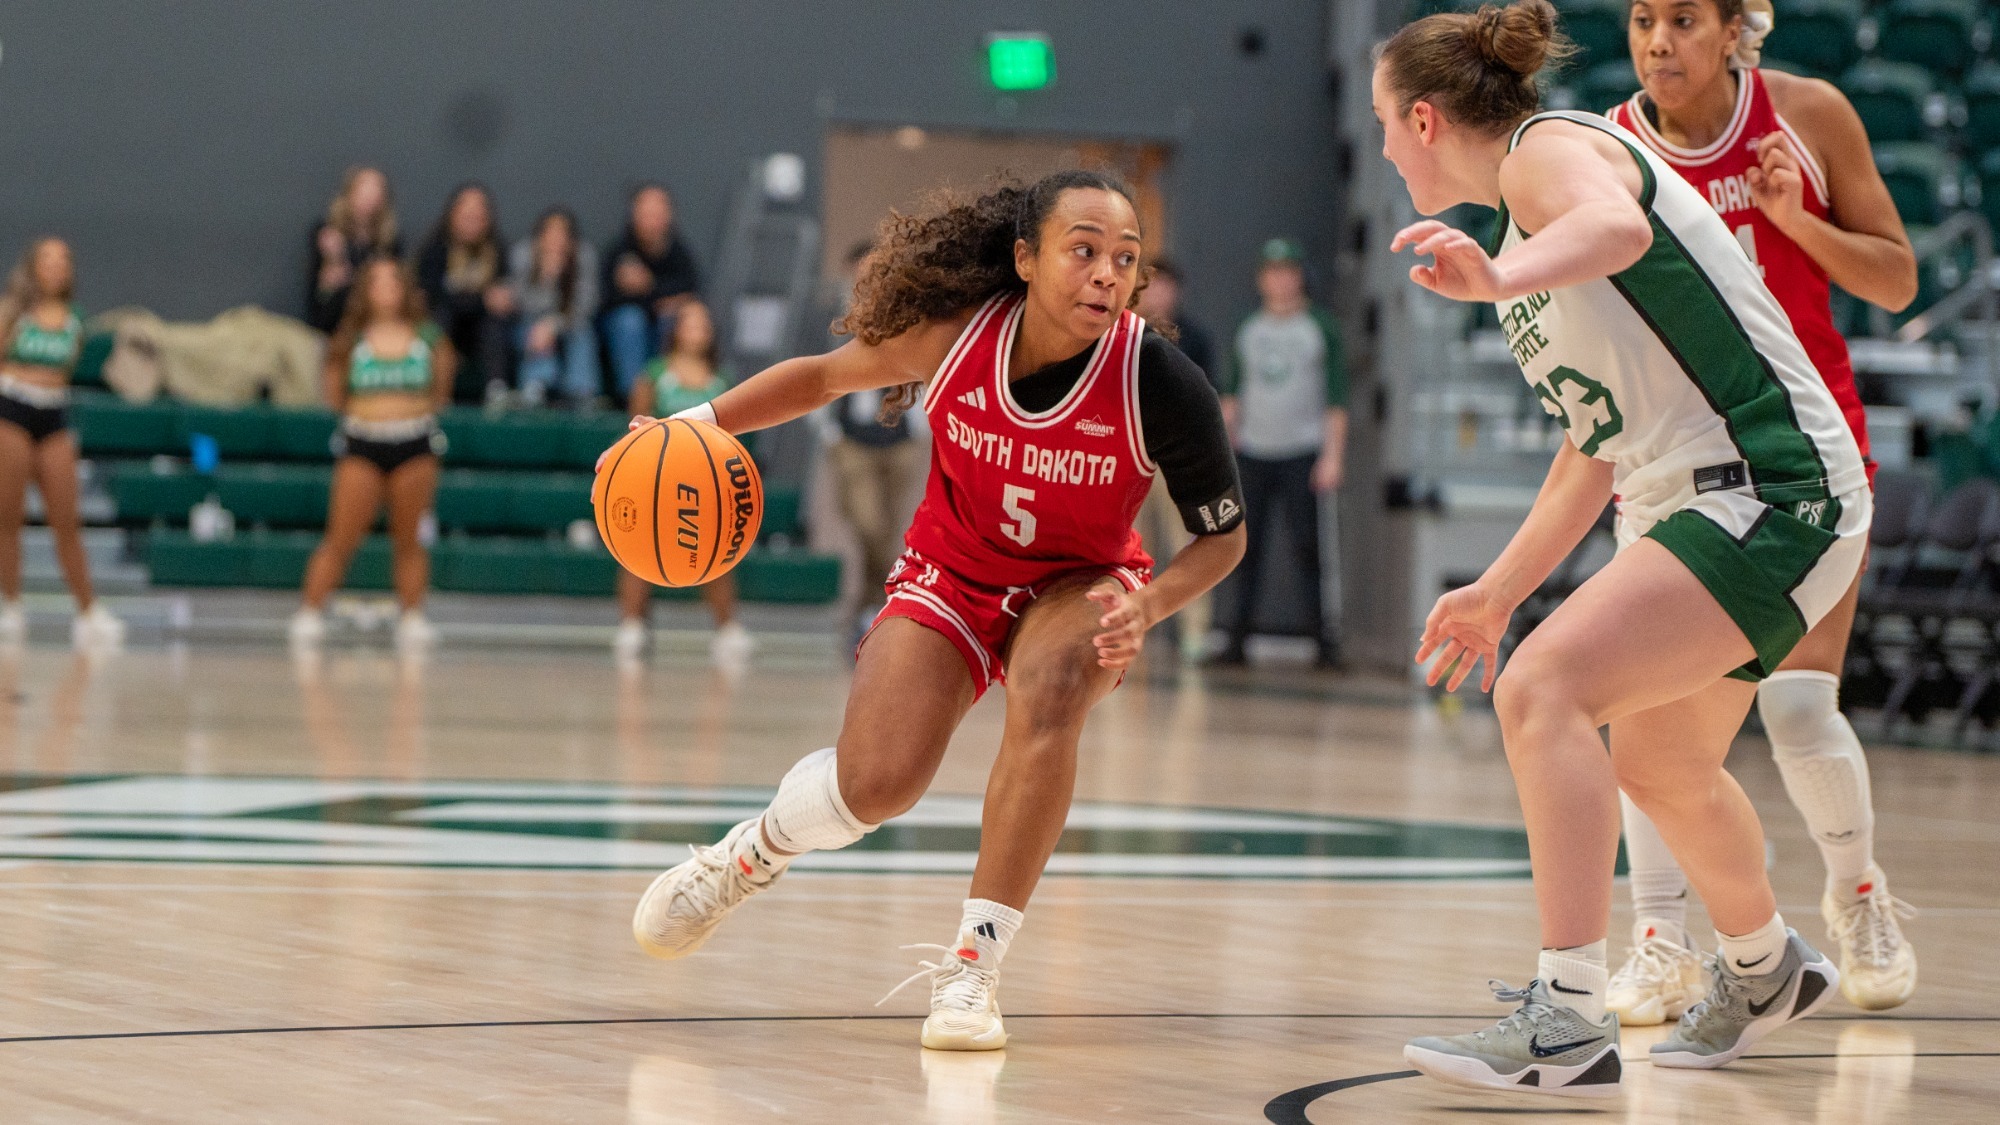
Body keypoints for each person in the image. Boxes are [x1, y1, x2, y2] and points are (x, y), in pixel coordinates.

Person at [622, 169, 1245, 1051]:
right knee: (877, 781)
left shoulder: (1160, 381)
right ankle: (750, 854)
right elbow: (822, 378)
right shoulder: (958, 336)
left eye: (1125, 259)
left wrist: (1152, 603)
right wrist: (698, 422)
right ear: (1026, 259)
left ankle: (973, 968)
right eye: (1084, 251)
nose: (1107, 272)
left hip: (1082, 581)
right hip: (952, 571)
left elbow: (1224, 538)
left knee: (1059, 682)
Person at [1377, 0, 1869, 1096]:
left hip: (1770, 489)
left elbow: (1623, 230)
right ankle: (1762, 965)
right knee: (1656, 763)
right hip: (1713, 497)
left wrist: (1499, 279)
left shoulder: (1544, 155)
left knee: (1540, 690)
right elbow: (1588, 445)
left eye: (1377, 124)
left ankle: (1564, 1015)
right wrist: (1497, 590)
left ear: (1419, 120)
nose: (1376, 148)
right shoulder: (1521, 225)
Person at [1602, 0, 1920, 1023]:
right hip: (1672, 467)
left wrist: (1796, 223)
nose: (1657, 42)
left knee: (1793, 705)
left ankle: (1856, 895)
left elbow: (1898, 280)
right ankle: (1657, 938)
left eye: (1682, 20)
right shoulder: (1607, 150)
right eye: (1642, 19)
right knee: (1645, 725)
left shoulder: (1808, 116)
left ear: (1735, 27)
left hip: (1804, 463)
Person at [290, 256, 454, 649]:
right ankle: (310, 610)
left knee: (410, 537)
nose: (386, 288)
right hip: (362, 441)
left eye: (393, 280)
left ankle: (412, 614)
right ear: (364, 289)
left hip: (414, 441)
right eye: (376, 281)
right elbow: (333, 396)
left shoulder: (429, 338)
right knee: (341, 535)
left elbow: (441, 392)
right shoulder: (350, 339)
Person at [1213, 238, 1348, 667]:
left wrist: (1333, 456)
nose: (1280, 280)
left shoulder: (1319, 327)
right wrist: (1222, 447)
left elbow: (1336, 399)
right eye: (1272, 272)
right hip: (1253, 450)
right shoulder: (1249, 328)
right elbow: (1232, 394)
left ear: (1299, 277)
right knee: (1243, 547)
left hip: (1302, 452)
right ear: (1261, 279)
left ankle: (1322, 643)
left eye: (1288, 271)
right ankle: (1236, 638)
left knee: (1310, 549)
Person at [614, 299, 752, 667]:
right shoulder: (656, 373)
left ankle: (726, 627)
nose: (698, 331)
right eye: (690, 323)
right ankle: (632, 624)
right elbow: (635, 427)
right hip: (657, 480)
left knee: (715, 553)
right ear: (676, 330)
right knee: (640, 551)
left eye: (704, 324)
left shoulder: (721, 378)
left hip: (708, 482)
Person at [0, 239, 124, 646]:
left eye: (63, 260)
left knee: (66, 519)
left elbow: (65, 371)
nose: (55, 267)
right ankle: (10, 604)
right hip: (12, 408)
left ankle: (87, 610)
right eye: (47, 259)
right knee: (8, 516)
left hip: (53, 414)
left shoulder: (76, 320)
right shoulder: (12, 312)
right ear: (32, 266)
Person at [822, 241, 927, 648]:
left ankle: (866, 612)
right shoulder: (833, 316)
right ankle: (879, 605)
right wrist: (828, 431)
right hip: (851, 438)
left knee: (891, 526)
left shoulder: (910, 312)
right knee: (869, 524)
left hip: (899, 437)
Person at [1135, 258, 1222, 659]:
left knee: (1189, 544)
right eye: (1152, 285)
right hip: (1130, 456)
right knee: (1127, 545)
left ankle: (1194, 633)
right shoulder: (1124, 333)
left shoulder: (1197, 338)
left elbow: (1209, 400)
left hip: (1176, 462)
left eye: (1166, 286)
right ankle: (1124, 624)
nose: (1159, 293)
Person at [416, 183, 516, 404]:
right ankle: (435, 388)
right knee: (439, 318)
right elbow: (433, 296)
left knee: (495, 323)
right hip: (446, 323)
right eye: (466, 214)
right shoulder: (435, 249)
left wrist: (494, 301)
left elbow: (502, 297)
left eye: (479, 215)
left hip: (480, 330)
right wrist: (481, 300)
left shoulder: (497, 249)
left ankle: (497, 389)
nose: (472, 219)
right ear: (452, 215)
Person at [601, 184, 702, 401]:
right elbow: (607, 299)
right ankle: (633, 398)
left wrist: (648, 287)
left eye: (658, 213)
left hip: (662, 325)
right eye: (646, 213)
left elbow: (690, 293)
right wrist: (658, 299)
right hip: (625, 328)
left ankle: (671, 393)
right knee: (630, 321)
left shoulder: (679, 252)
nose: (652, 220)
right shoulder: (619, 251)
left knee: (675, 320)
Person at [508, 208, 601, 409]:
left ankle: (581, 392)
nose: (556, 240)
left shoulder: (584, 256)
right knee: (534, 331)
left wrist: (553, 324)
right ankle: (535, 387)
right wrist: (546, 281)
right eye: (550, 233)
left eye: (563, 234)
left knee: (582, 332)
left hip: (572, 324)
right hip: (528, 325)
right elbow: (519, 304)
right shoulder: (523, 255)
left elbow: (586, 305)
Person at [307, 167, 401, 334]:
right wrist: (331, 270)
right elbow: (319, 294)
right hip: (332, 323)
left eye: (374, 194)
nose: (368, 201)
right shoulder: (327, 233)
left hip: (373, 325)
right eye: (363, 192)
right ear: (348, 194)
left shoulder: (389, 243)